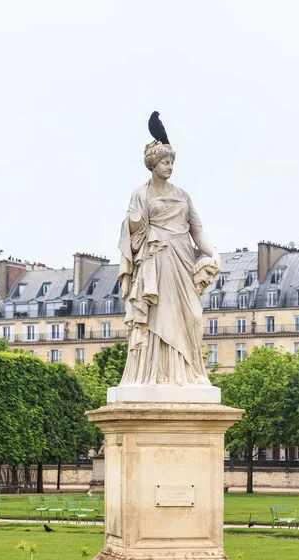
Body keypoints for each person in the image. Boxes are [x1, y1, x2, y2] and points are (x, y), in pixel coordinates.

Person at [118, 141, 220, 386]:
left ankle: (190, 371)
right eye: (165, 162)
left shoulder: (182, 195)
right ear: (153, 165)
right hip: (157, 258)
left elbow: (197, 231)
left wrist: (214, 254)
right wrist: (132, 222)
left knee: (193, 316)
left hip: (183, 258)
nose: (170, 167)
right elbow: (132, 231)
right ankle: (155, 373)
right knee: (159, 315)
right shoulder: (141, 194)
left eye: (172, 162)